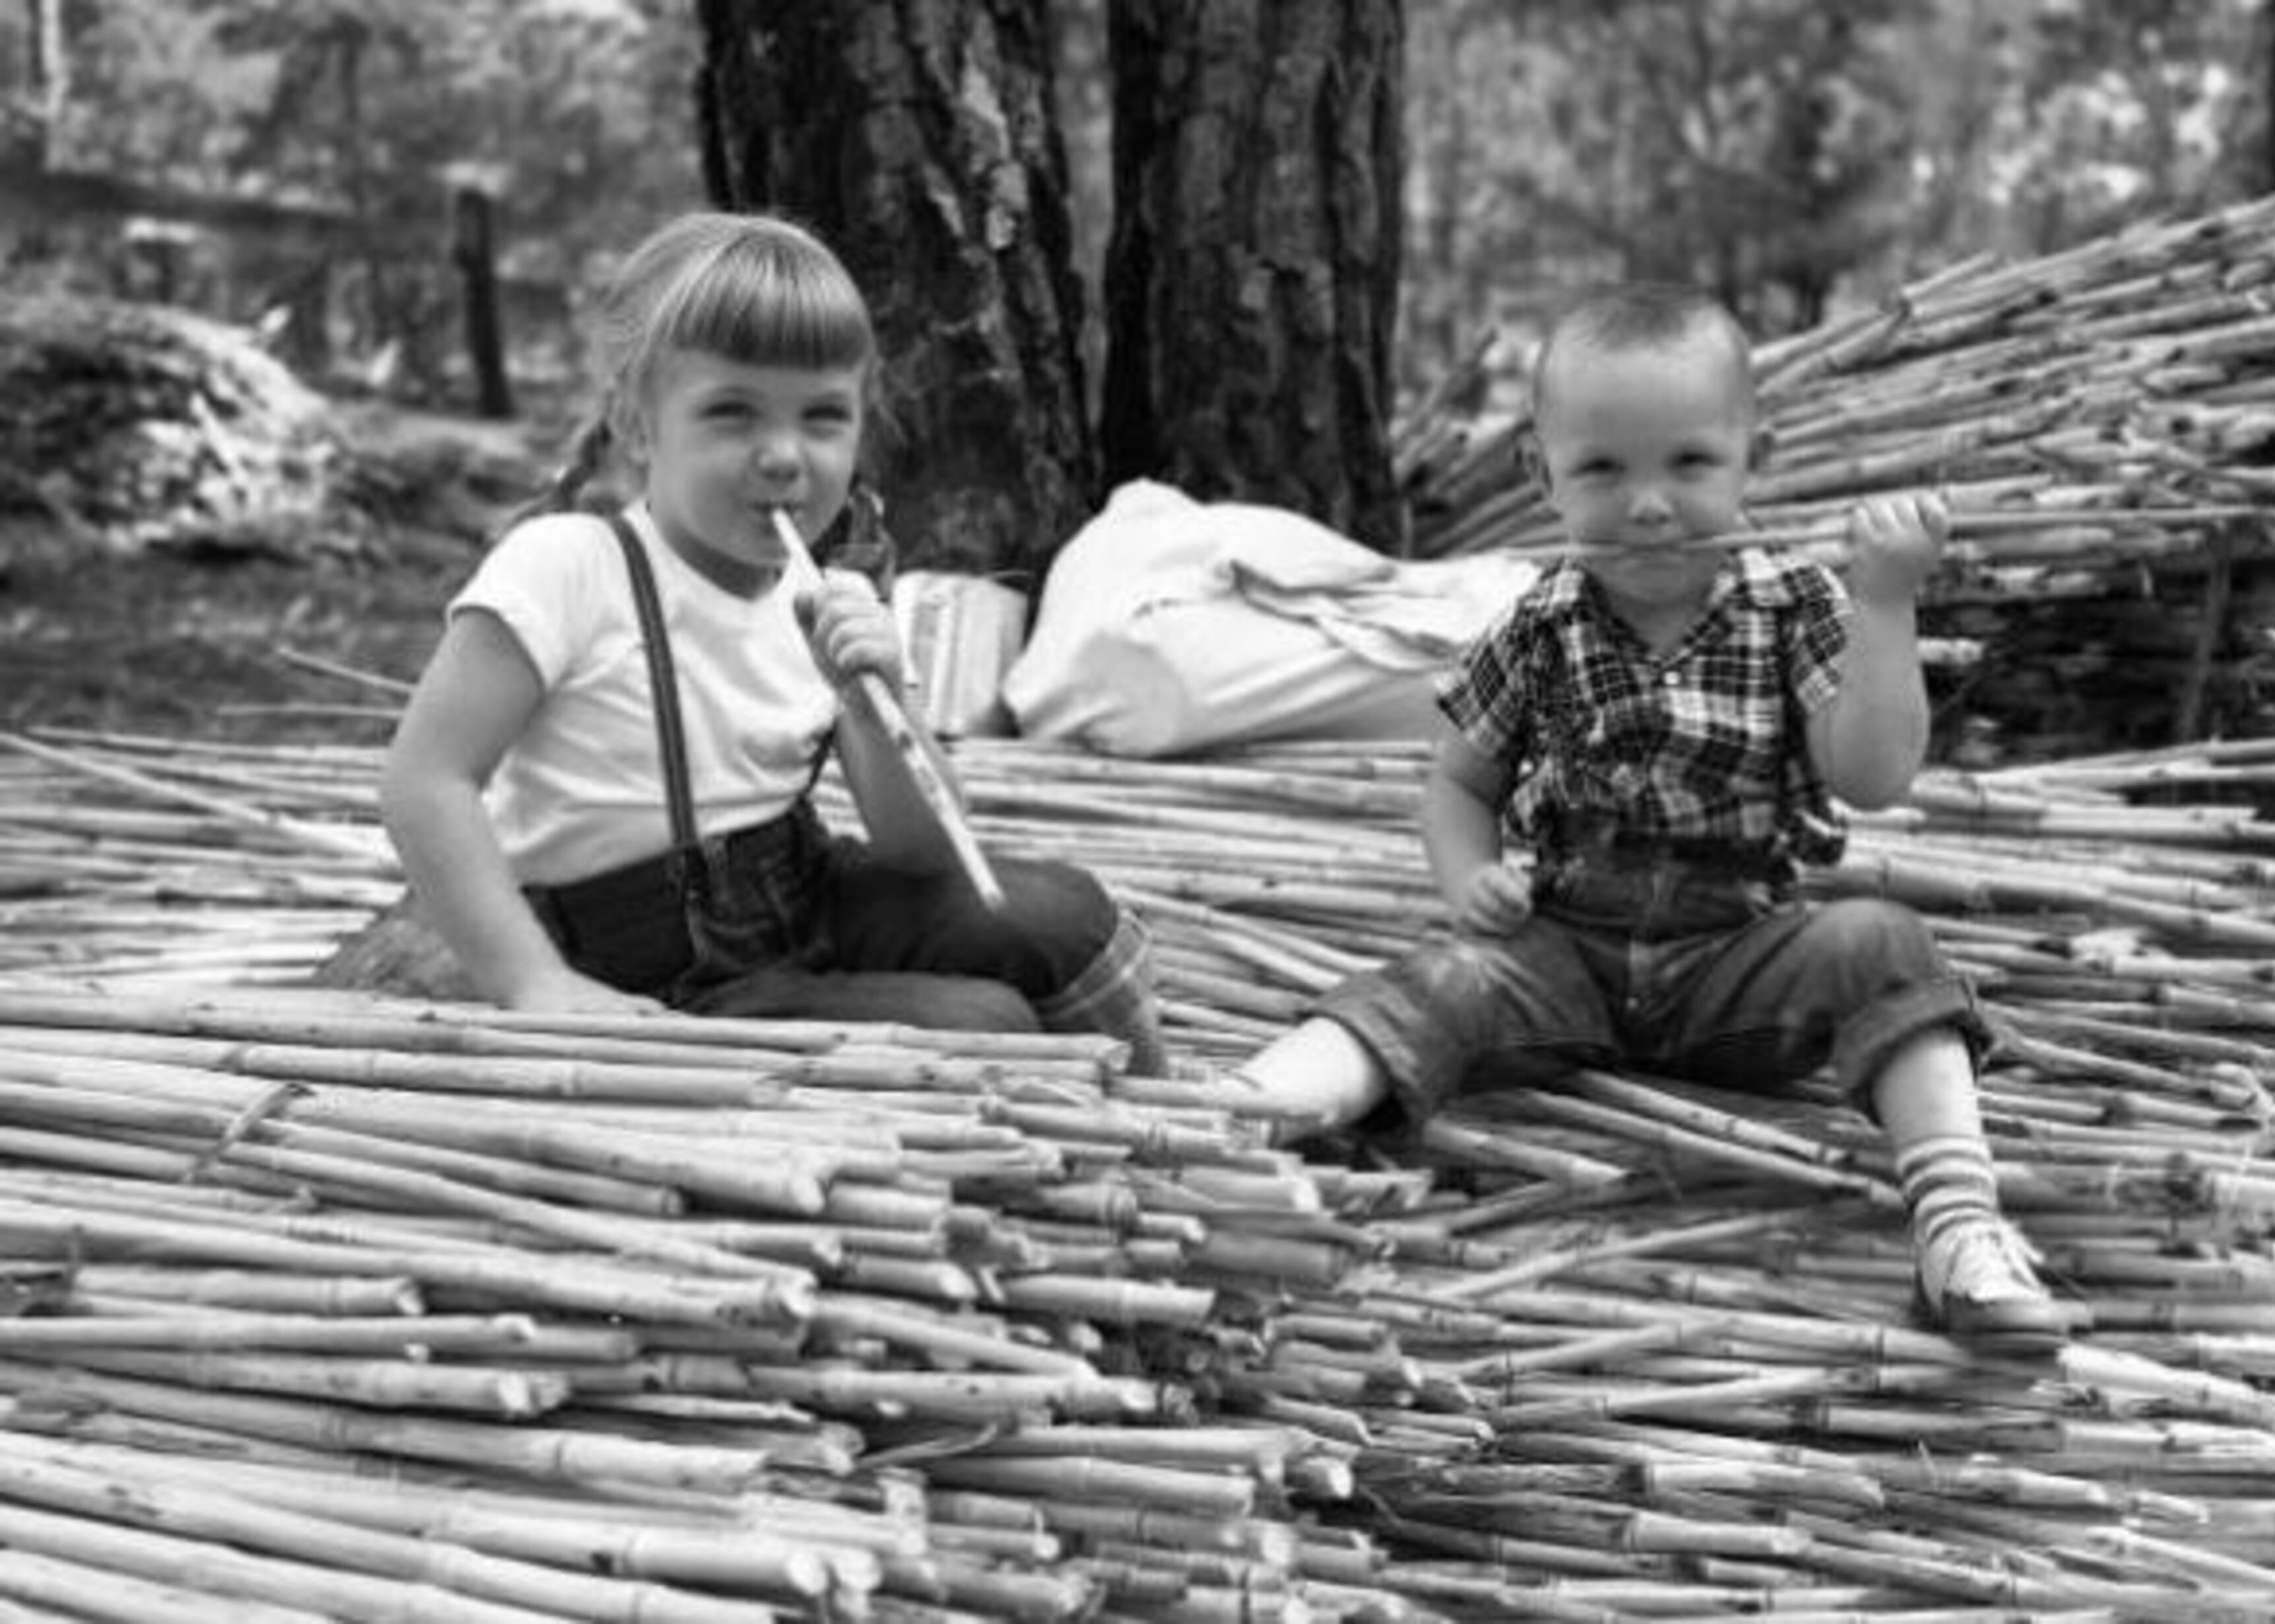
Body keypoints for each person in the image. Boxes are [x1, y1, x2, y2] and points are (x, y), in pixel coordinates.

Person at [1236, 282, 2078, 1349]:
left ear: (1751, 459)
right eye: (1603, 469)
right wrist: (1470, 884)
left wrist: (1885, 605)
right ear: (1542, 477)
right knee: (1438, 976)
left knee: (1886, 945)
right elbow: (1458, 785)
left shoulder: (1797, 606)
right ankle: (1248, 1117)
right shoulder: (1541, 622)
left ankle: (1959, 1224)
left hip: (1739, 958)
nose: (1647, 504)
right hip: (1565, 954)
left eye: (1688, 463)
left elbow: (1872, 776)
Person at [381, 210, 1165, 1073]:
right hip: (655, 963)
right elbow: (425, 780)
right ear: (638, 426)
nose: (786, 455)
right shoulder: (570, 566)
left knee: (1065, 913)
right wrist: (531, 982)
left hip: (804, 893)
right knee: (986, 1025)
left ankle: (1173, 1128)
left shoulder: (820, 591)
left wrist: (876, 700)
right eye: (733, 413)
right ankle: (1070, 1139)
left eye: (823, 416)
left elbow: (923, 851)